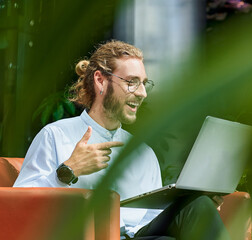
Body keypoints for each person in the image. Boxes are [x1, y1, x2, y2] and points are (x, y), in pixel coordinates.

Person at [14, 40, 230, 240]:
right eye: (132, 82)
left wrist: (193, 207)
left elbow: (151, 220)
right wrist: (68, 171)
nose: (143, 93)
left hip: (139, 236)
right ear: (100, 80)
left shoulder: (143, 152)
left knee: (198, 206)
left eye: (145, 83)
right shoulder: (55, 135)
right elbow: (17, 205)